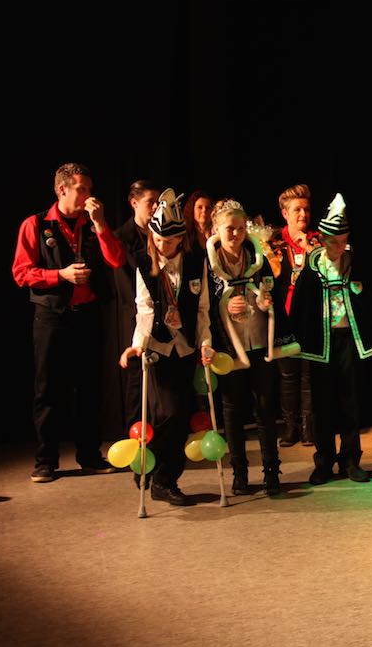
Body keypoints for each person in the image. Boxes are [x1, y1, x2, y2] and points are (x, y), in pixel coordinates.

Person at [12, 162, 126, 482]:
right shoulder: (35, 224)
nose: (89, 195)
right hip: (52, 316)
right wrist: (59, 275)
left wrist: (100, 223)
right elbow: (21, 273)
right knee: (47, 390)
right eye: (82, 189)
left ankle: (89, 455)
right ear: (62, 190)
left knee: (89, 389)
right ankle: (45, 460)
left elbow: (116, 259)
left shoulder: (92, 223)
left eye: (90, 189)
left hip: (87, 315)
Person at [290, 193, 372, 485]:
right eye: (333, 242)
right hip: (322, 345)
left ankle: (350, 460)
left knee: (350, 401)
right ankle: (323, 462)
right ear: (322, 240)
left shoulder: (356, 265)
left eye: (343, 242)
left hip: (348, 342)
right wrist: (290, 340)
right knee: (322, 406)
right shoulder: (312, 269)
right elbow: (301, 307)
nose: (338, 248)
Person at [118, 189, 210, 506]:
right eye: (157, 240)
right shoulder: (145, 263)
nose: (162, 247)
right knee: (168, 412)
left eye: (168, 242)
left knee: (182, 417)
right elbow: (144, 309)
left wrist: (206, 343)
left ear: (180, 239)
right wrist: (137, 345)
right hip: (158, 348)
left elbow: (202, 310)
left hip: (186, 349)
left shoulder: (196, 263)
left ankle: (164, 479)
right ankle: (154, 469)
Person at [206, 199, 288, 495]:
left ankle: (271, 471)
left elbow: (270, 290)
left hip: (258, 341)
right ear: (216, 230)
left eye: (241, 228)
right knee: (232, 412)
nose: (236, 234)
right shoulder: (209, 265)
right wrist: (225, 307)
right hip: (229, 347)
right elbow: (203, 306)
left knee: (265, 409)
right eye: (230, 228)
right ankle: (239, 472)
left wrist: (266, 303)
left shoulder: (257, 256)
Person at [275, 183, 321, 448]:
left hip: (310, 318)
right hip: (284, 319)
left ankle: (308, 428)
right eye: (297, 210)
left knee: (308, 375)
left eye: (307, 209)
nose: (303, 214)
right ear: (285, 213)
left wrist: (310, 249)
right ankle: (290, 428)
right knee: (288, 376)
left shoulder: (317, 241)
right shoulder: (273, 244)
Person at [113, 180, 161, 429]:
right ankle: (136, 436)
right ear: (134, 203)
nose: (155, 207)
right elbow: (126, 285)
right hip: (135, 315)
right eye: (150, 202)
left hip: (162, 314)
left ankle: (161, 434)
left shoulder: (162, 233)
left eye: (158, 202)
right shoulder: (122, 238)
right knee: (137, 378)